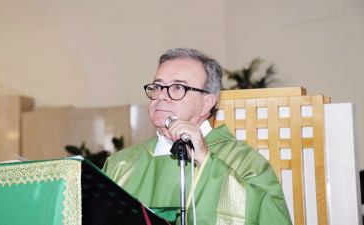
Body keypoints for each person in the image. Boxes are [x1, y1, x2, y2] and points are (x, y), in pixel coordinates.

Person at [103, 48, 292, 225]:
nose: (161, 95)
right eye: (158, 86)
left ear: (207, 103)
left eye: (177, 87)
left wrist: (205, 159)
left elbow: (270, 216)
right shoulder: (121, 164)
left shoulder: (244, 161)